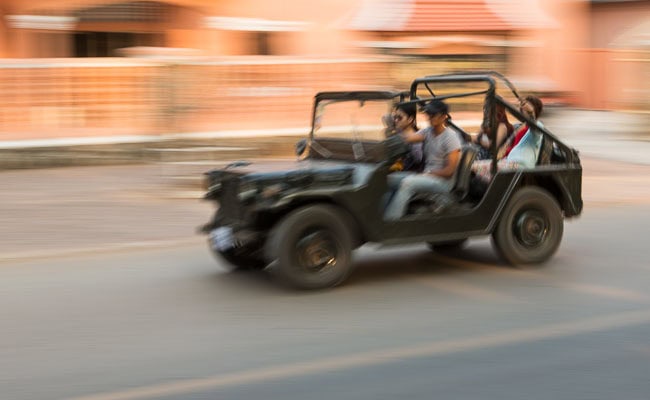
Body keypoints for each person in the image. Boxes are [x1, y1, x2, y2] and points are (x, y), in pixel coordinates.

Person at [384, 99, 462, 220]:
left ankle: (391, 222)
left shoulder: (451, 137)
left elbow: (449, 171)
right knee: (388, 179)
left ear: (443, 117)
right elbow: (407, 138)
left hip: (443, 182)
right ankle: (380, 217)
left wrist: (429, 173)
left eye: (432, 114)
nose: (429, 117)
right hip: (427, 176)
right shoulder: (428, 132)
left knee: (408, 183)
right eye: (428, 114)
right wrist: (391, 133)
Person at [471, 95, 544, 183]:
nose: (521, 109)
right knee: (472, 167)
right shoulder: (522, 127)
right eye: (521, 107)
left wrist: (531, 112)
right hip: (509, 161)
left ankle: (493, 188)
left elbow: (534, 125)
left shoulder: (538, 126)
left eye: (525, 107)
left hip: (519, 165)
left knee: (474, 168)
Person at [389, 102, 424, 172]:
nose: (396, 120)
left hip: (408, 173)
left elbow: (418, 159)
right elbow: (386, 117)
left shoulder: (416, 138)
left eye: (400, 118)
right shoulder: (397, 132)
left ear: (410, 119)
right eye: (395, 117)